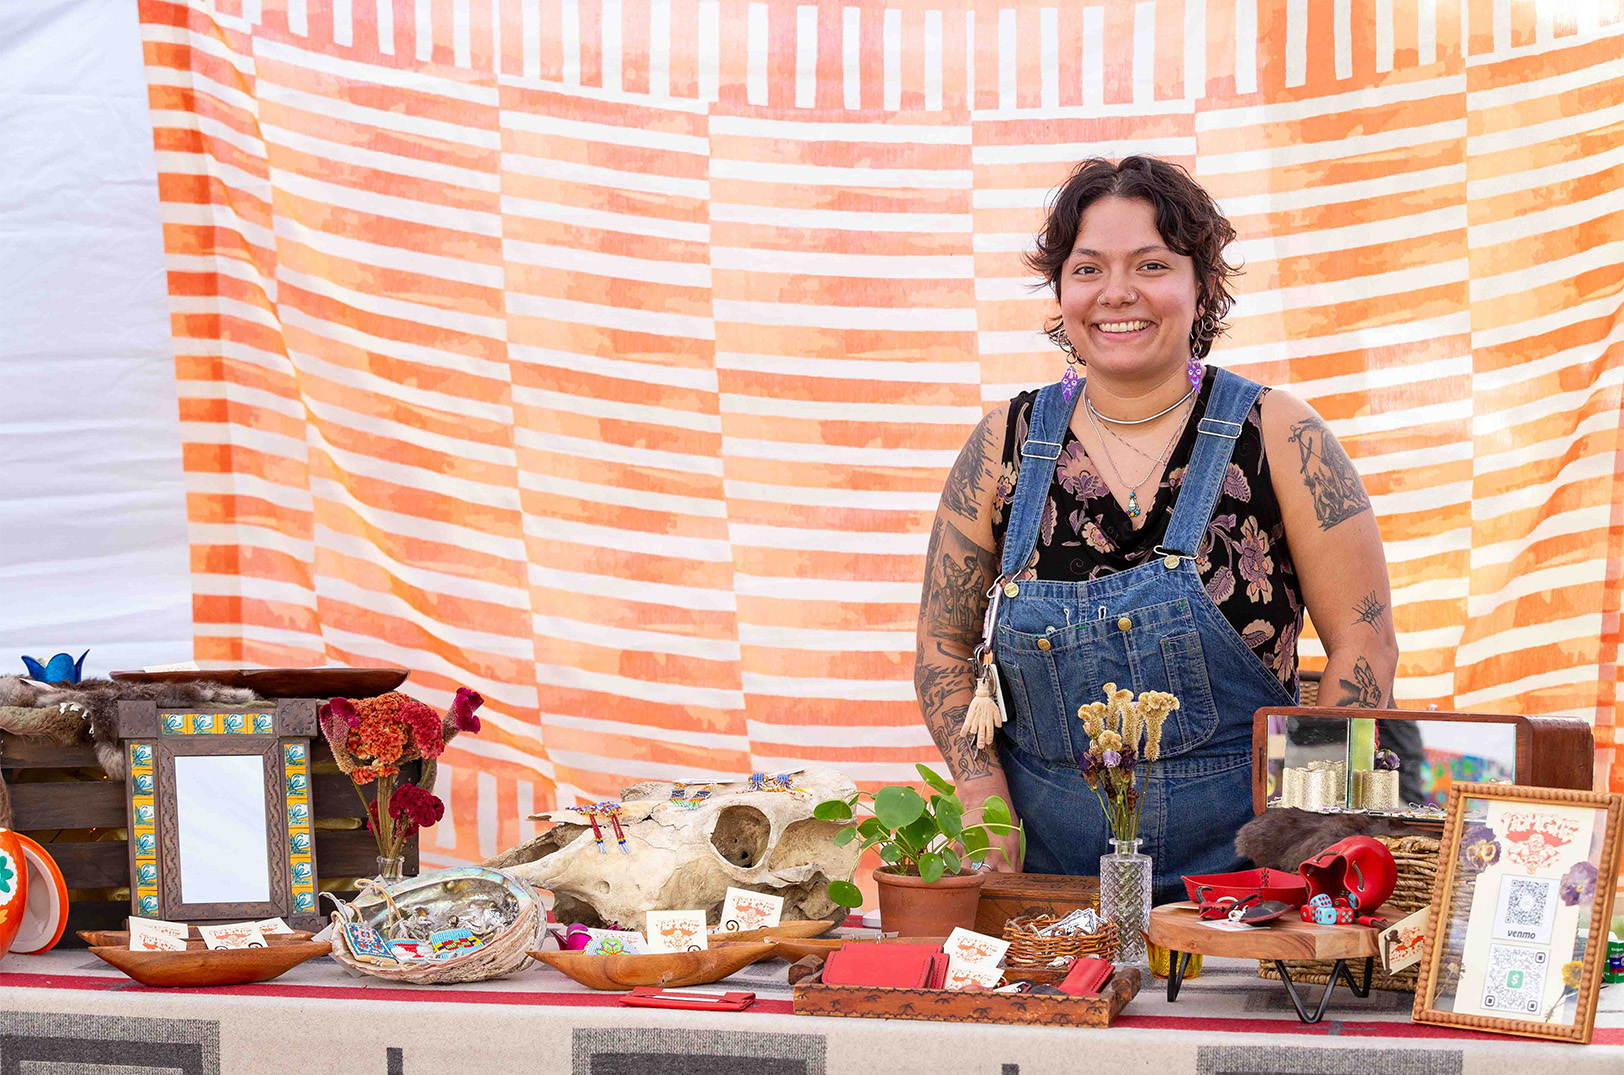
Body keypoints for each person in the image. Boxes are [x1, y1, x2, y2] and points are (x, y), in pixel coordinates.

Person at [914, 156, 1399, 903]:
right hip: (1048, 893)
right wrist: (983, 798)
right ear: (1060, 290)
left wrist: (1310, 840)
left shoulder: (1282, 437)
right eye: (1088, 269)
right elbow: (943, 644)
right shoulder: (999, 447)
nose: (1117, 293)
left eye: (1151, 264)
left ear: (1201, 283)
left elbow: (1364, 643)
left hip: (1249, 894)